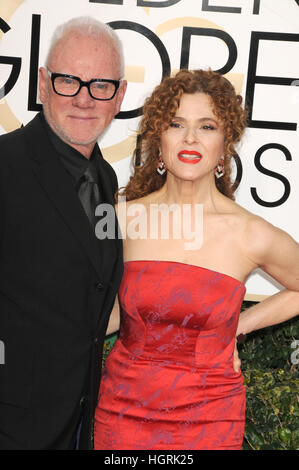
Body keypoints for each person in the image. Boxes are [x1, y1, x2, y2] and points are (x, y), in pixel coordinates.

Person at [93, 69, 299, 450]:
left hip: (210, 419)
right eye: (176, 124)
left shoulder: (249, 233)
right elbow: (106, 312)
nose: (190, 138)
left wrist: (239, 325)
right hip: (122, 415)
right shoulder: (122, 220)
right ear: (159, 139)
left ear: (225, 144)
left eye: (206, 126)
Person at [0, 16, 127, 450]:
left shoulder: (106, 179)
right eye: (68, 81)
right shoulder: (4, 166)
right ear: (41, 83)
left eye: (101, 85)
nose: (85, 99)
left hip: (79, 425)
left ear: (120, 95)